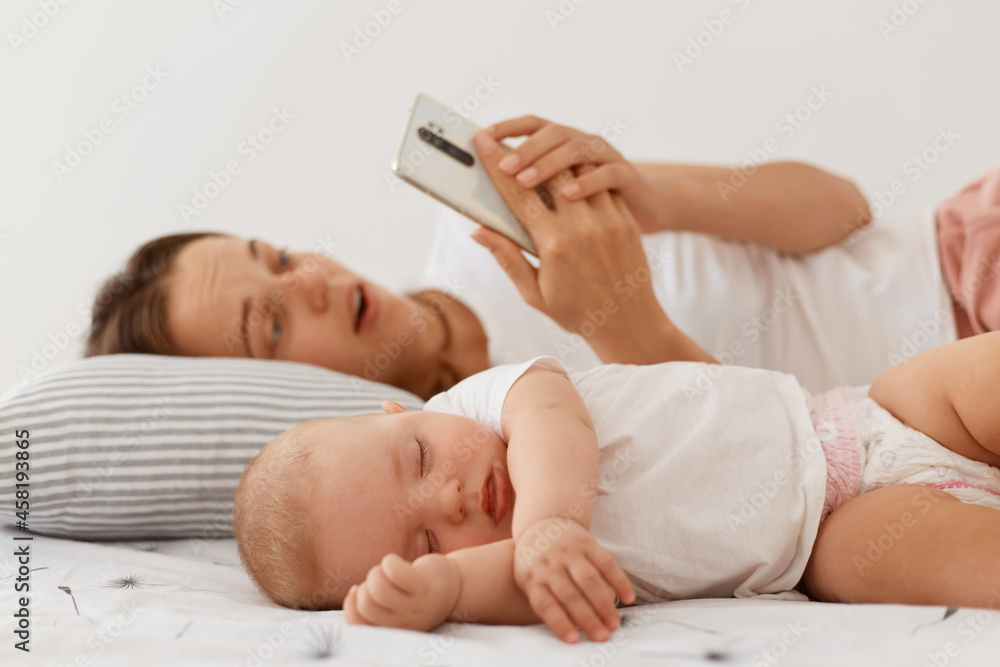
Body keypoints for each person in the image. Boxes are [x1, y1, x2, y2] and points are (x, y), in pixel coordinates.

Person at [85, 115, 998, 395]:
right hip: (951, 410)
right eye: (273, 319)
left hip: (961, 250)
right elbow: (787, 469)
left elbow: (842, 208)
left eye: (278, 255)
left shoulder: (482, 226)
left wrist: (656, 195)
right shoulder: (494, 461)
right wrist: (627, 322)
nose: (314, 279)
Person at [232, 330, 1000, 644]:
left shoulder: (488, 400)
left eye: (419, 460)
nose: (453, 499)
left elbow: (553, 420)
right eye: (426, 537)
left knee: (971, 378)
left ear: (403, 412)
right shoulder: (537, 571)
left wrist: (545, 525)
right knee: (900, 561)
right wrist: (440, 591)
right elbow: (509, 584)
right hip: (832, 535)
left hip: (870, 414)